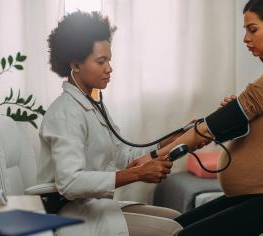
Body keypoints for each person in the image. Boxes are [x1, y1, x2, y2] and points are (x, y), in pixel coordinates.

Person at [132, 0, 263, 235]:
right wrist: (233, 120)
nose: (246, 39)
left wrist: (153, 156)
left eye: (253, 29)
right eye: (245, 30)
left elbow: (208, 129)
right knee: (176, 227)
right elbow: (249, 131)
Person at [37, 11, 183, 236]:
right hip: (73, 213)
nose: (109, 68)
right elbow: (70, 182)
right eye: (101, 61)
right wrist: (138, 174)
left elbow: (124, 154)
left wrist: (168, 142)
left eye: (109, 60)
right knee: (174, 230)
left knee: (180, 219)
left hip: (95, 206)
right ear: (75, 65)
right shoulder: (65, 113)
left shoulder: (92, 105)